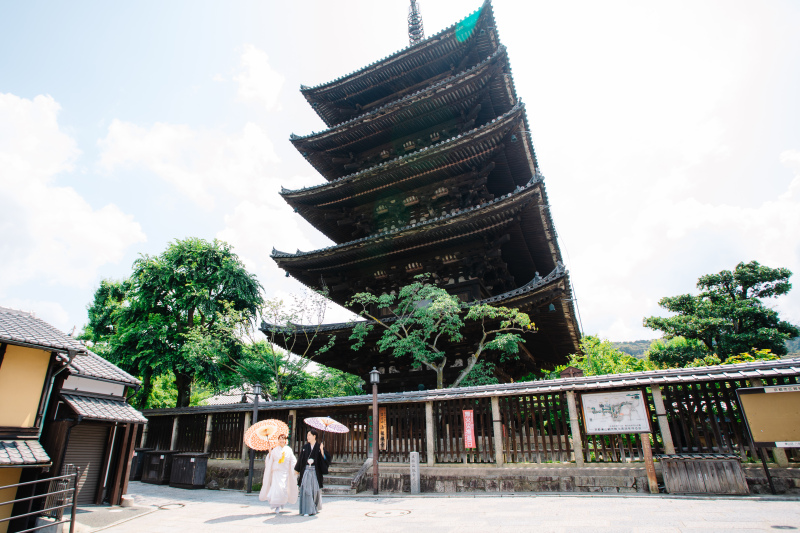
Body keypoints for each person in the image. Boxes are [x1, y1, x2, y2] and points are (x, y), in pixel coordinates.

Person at [295, 428, 330, 516]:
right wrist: (297, 469)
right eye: (307, 435)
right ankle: (307, 510)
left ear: (314, 436)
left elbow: (326, 459)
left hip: (315, 472)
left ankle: (315, 507)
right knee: (307, 491)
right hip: (306, 471)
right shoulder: (305, 447)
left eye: (309, 435)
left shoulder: (319, 446)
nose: (307, 437)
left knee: (315, 490)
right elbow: (301, 459)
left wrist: (322, 450)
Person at [259, 434, 297, 513]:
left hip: (284, 472)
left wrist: (296, 468)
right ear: (278, 440)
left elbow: (293, 460)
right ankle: (277, 506)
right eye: (280, 439)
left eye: (283, 439)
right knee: (276, 488)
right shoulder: (275, 450)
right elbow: (270, 460)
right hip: (276, 471)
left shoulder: (288, 450)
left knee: (283, 488)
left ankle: (282, 502)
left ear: (285, 440)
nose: (281, 441)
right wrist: (269, 454)